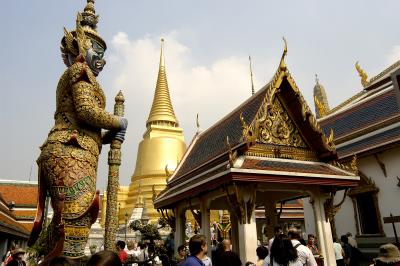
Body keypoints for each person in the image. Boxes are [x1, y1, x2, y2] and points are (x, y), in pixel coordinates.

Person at [27, 0, 128, 259]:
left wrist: (107, 138)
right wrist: (118, 122)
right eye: (97, 52)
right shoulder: (79, 71)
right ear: (82, 48)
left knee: (62, 221)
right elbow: (86, 111)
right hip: (70, 152)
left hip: (72, 148)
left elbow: (85, 122)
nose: (102, 61)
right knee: (77, 218)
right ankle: (70, 262)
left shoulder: (80, 74)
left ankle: (31, 258)